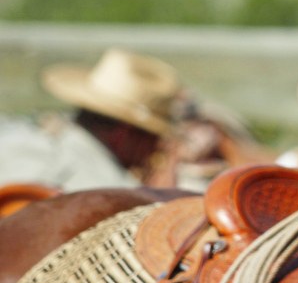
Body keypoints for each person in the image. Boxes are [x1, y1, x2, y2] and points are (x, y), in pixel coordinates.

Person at [0, 47, 182, 190]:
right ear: (123, 133)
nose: (155, 149)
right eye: (153, 138)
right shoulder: (117, 195)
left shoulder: (13, 140)